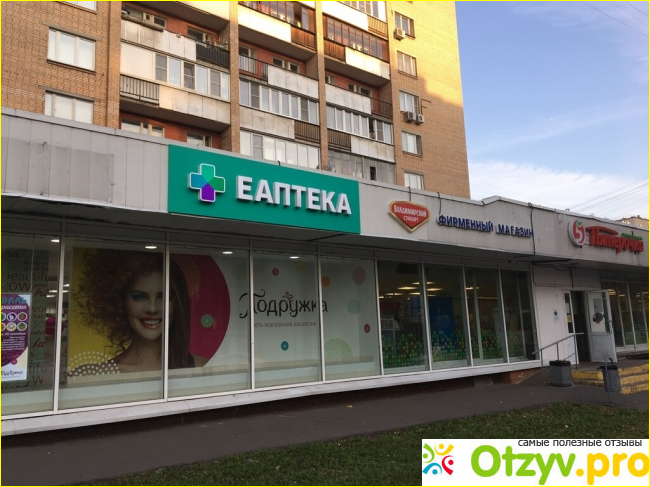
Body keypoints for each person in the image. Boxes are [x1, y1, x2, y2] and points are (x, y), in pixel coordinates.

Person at [69, 249, 196, 377]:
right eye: (139, 297)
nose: (152, 308)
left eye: (163, 297)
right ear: (121, 302)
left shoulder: (202, 368)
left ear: (177, 303)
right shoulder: (88, 376)